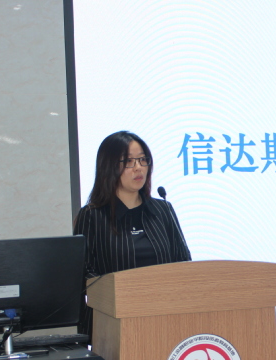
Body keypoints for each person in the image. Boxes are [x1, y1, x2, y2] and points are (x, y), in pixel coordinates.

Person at [73, 130, 191, 335]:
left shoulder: (163, 210)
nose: (139, 168)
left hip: (165, 320)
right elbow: (83, 274)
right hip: (114, 324)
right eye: (128, 161)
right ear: (109, 167)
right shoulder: (92, 216)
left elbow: (183, 262)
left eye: (143, 160)